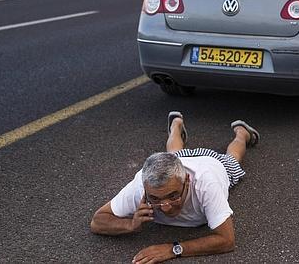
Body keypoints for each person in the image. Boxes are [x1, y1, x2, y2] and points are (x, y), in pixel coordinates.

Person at [90, 111, 260, 263]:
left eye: (173, 196)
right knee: (172, 155)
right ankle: (176, 125)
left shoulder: (207, 184)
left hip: (213, 163)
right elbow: (97, 221)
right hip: (177, 161)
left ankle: (241, 133)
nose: (165, 207)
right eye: (155, 199)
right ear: (145, 188)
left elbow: (227, 240)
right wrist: (130, 225)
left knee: (233, 158)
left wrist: (172, 249)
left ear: (187, 181)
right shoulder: (140, 186)